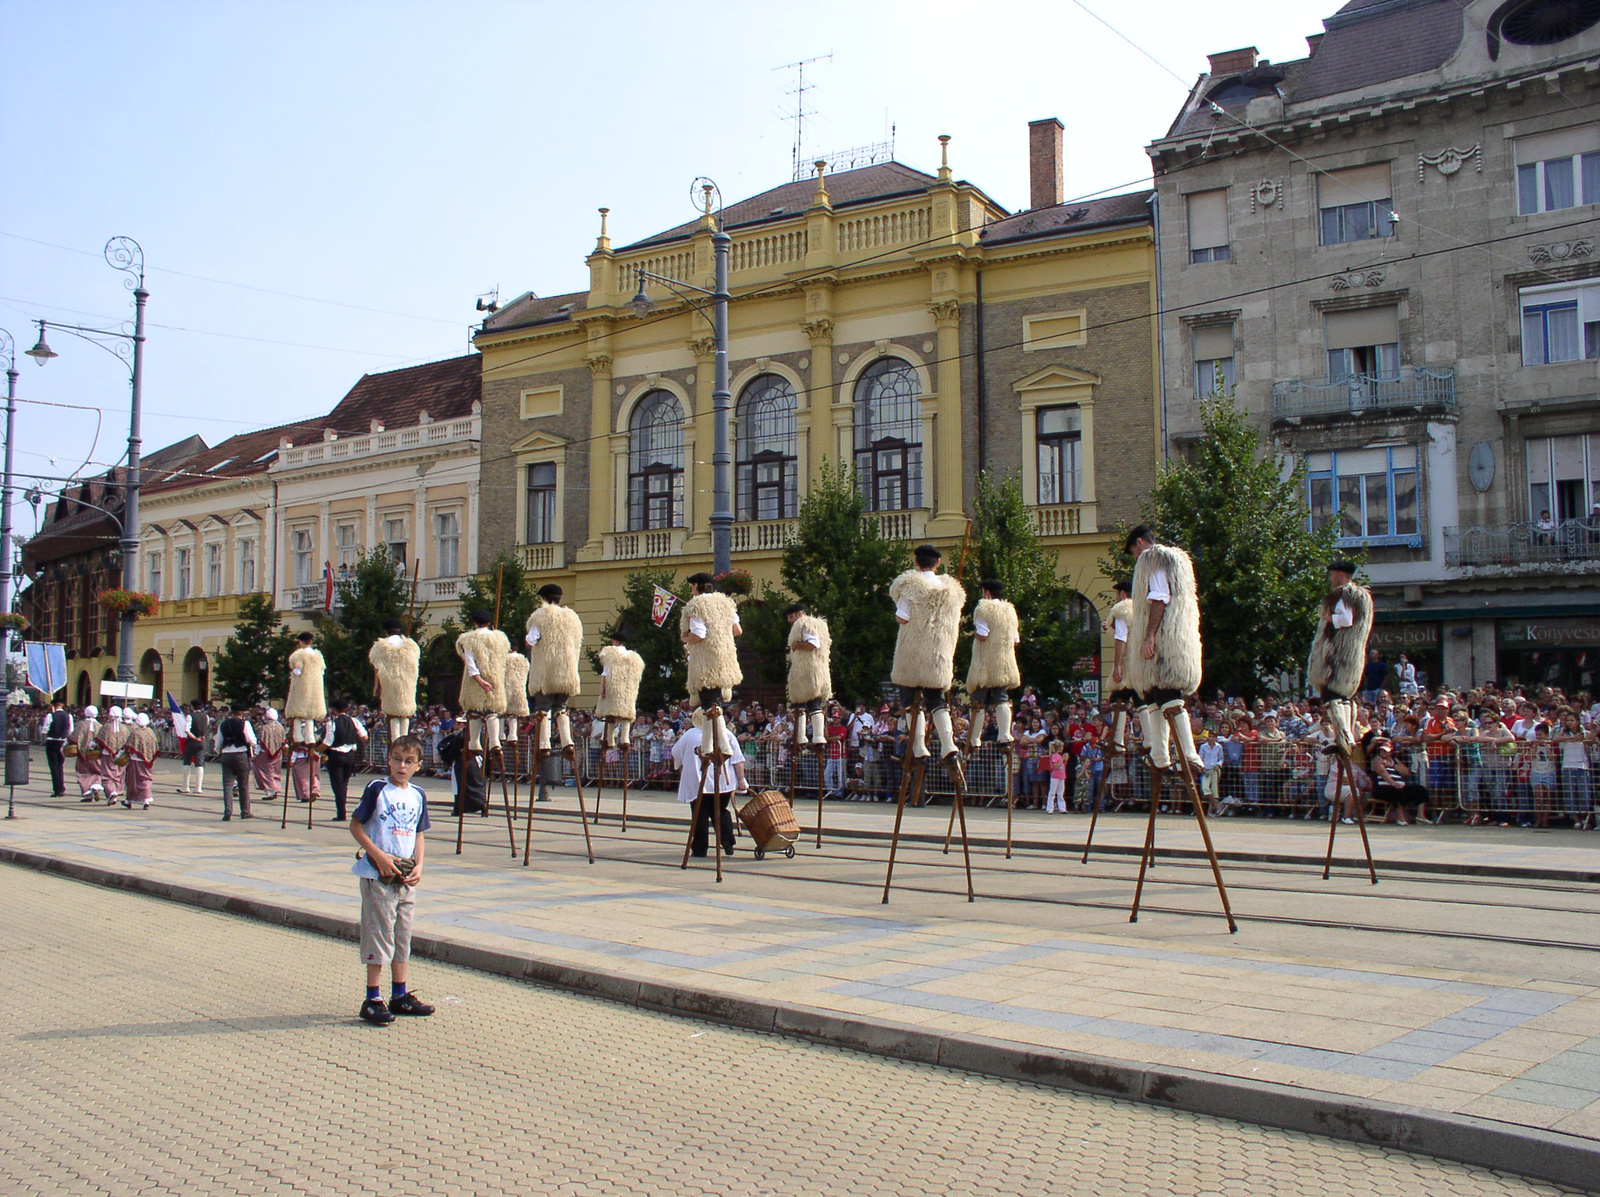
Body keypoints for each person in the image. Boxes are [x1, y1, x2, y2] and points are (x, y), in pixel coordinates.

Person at [349, 734, 435, 1026]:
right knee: (379, 933)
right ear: (388, 760)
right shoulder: (377, 790)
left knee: (402, 935)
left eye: (409, 761)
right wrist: (379, 856)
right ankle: (372, 997)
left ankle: (400, 993)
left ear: (418, 765)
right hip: (379, 874)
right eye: (397, 759)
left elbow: (418, 832)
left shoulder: (417, 795)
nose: (402, 765)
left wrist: (420, 864)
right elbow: (356, 825)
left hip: (405, 876)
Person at [1123, 525, 1203, 775]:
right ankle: (1160, 756)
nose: (1135, 559)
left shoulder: (1152, 559)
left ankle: (1188, 753)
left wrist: (1150, 635)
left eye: (1133, 553)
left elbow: (1159, 597)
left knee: (1169, 694)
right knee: (1155, 695)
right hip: (1177, 633)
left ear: (1139, 543)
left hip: (1165, 635)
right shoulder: (1178, 562)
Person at [890, 544, 965, 770]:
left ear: (916, 562)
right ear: (938, 564)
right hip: (938, 654)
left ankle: (920, 748)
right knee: (937, 701)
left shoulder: (910, 587)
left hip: (912, 653)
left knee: (910, 700)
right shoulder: (952, 592)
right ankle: (948, 745)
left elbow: (902, 617)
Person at [1308, 560, 1373, 756]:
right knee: (1344, 698)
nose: (1330, 579)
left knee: (1332, 697)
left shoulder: (1343, 594)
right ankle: (1349, 737)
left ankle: (1343, 737)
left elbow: (1345, 620)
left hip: (1337, 657)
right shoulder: (1362, 597)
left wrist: (1328, 618)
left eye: (1332, 575)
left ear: (1340, 575)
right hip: (1350, 657)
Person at [682, 573, 743, 755]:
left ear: (697, 586)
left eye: (692, 586)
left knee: (710, 703)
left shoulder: (697, 605)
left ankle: (721, 746)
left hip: (706, 662)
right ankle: (709, 746)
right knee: (711, 704)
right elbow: (737, 630)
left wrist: (685, 637)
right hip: (725, 660)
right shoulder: (725, 604)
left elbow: (699, 634)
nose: (691, 590)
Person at [672, 717, 747, 858]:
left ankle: (700, 848)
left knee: (700, 814)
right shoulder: (726, 733)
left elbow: (675, 753)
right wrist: (741, 779)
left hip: (698, 781)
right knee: (720, 811)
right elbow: (737, 759)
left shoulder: (690, 734)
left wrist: (683, 763)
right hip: (723, 783)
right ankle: (727, 840)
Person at [525, 583, 584, 757]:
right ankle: (567, 742)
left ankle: (544, 744)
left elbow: (531, 640)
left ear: (543, 598)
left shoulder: (541, 616)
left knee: (543, 706)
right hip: (567, 671)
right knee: (561, 706)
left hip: (547, 671)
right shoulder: (572, 618)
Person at [966, 579, 1021, 751]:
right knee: (1001, 697)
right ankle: (1005, 736)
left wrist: (972, 633)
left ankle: (974, 739)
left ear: (987, 593)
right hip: (1004, 662)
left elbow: (983, 634)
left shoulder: (983, 608)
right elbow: (1016, 639)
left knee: (977, 699)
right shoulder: (1010, 611)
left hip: (985, 663)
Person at [456, 609, 510, 766]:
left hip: (475, 682)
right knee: (492, 712)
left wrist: (479, 680)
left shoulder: (469, 639)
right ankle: (494, 742)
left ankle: (474, 742)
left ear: (474, 623)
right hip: (495, 679)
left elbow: (470, 662)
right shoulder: (500, 639)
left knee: (474, 711)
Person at [784, 601, 833, 749]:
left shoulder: (804, 623)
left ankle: (801, 738)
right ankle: (818, 737)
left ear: (800, 614)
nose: (789, 621)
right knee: (815, 703)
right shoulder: (821, 625)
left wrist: (797, 645)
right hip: (820, 670)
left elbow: (813, 643)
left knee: (799, 701)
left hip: (806, 670)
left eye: (791, 616)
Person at [368, 617, 421, 742]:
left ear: (386, 631)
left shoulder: (381, 647)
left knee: (393, 714)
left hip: (390, 682)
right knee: (405, 712)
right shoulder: (411, 646)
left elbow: (377, 668)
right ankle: (404, 739)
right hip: (407, 683)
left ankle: (396, 741)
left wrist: (376, 686)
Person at [595, 629, 645, 753]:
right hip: (628, 690)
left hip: (614, 687)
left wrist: (603, 689)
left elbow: (606, 673)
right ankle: (625, 738)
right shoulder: (634, 657)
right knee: (626, 714)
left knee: (610, 713)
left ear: (615, 641)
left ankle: (610, 739)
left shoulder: (610, 654)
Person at [322, 698, 369, 821]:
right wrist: (353, 739)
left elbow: (328, 742)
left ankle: (341, 813)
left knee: (337, 785)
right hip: (350, 755)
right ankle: (343, 810)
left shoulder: (332, 723)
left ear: (334, 710)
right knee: (344, 783)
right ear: (346, 709)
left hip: (336, 755)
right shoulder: (354, 721)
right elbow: (364, 737)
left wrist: (316, 750)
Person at [213, 703, 258, 821]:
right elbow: (251, 740)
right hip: (240, 753)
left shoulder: (223, 724)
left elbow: (218, 741)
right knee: (243, 785)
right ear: (242, 713)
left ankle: (228, 811)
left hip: (226, 754)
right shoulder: (245, 724)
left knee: (227, 784)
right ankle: (245, 811)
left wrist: (219, 752)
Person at [286, 631, 327, 756]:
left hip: (302, 687)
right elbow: (322, 672)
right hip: (315, 689)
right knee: (310, 714)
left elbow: (297, 671)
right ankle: (310, 737)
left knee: (298, 712)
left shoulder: (298, 655)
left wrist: (292, 674)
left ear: (300, 642)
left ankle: (297, 736)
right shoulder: (317, 656)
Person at [122, 712, 158, 809]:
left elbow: (129, 745)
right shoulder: (150, 732)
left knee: (133, 780)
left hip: (135, 759)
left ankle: (129, 800)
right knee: (146, 778)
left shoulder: (135, 732)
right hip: (148, 760)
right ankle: (146, 799)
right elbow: (155, 746)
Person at [96, 706, 129, 806]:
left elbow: (98, 740)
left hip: (107, 754)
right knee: (118, 774)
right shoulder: (124, 728)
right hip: (121, 754)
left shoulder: (106, 727)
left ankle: (111, 792)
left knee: (107, 774)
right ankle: (117, 791)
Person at [72, 705, 104, 802]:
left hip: (83, 754)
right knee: (97, 771)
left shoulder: (81, 724)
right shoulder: (100, 726)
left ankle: (87, 792)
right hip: (95, 753)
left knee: (83, 772)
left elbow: (74, 737)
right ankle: (96, 785)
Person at [252, 708, 286, 799]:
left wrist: (255, 753)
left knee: (265, 772)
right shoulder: (280, 727)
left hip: (265, 753)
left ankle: (270, 790)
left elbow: (261, 742)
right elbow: (283, 740)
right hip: (278, 753)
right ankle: (275, 788)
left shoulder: (265, 727)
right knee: (275, 771)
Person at [42, 698, 72, 797]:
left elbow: (45, 730)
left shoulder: (50, 715)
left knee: (54, 766)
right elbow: (70, 730)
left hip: (52, 741)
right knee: (60, 765)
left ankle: (57, 789)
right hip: (63, 742)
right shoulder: (68, 716)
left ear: (54, 706)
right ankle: (62, 787)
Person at [1043, 740, 1069, 813]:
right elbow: (1055, 766)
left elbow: (1063, 766)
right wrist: (1062, 760)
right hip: (1055, 777)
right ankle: (1050, 808)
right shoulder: (1054, 756)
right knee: (1052, 793)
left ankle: (1062, 808)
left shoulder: (1060, 756)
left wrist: (1065, 760)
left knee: (1060, 793)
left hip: (1061, 776)